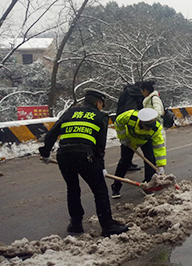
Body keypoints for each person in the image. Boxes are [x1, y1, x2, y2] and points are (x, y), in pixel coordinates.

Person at [39, 89, 129, 237]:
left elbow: (51, 134)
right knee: (99, 191)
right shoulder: (101, 116)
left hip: (64, 156)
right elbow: (100, 146)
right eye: (102, 104)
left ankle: (76, 224)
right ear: (98, 103)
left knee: (73, 189)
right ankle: (107, 226)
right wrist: (101, 167)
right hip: (85, 156)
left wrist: (45, 153)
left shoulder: (69, 113)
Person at [111, 108, 166, 198]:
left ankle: (147, 186)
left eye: (151, 126)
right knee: (124, 162)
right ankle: (116, 187)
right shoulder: (129, 117)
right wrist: (123, 138)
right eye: (147, 127)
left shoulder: (155, 128)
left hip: (145, 141)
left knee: (150, 160)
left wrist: (160, 166)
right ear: (141, 122)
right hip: (128, 141)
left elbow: (159, 147)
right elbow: (118, 122)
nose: (149, 129)